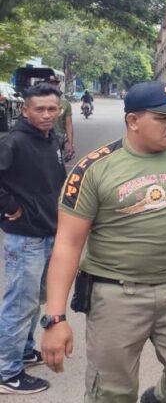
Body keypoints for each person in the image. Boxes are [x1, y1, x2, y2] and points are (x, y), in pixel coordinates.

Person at [41, 81, 166, 403]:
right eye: (162, 118)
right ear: (133, 121)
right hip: (117, 297)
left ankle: (157, 399)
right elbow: (67, 243)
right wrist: (55, 318)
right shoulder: (93, 170)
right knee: (111, 392)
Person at [0, 83, 65, 395]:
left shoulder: (51, 138)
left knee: (35, 300)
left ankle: (24, 350)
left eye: (52, 108)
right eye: (39, 109)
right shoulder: (13, 142)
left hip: (48, 232)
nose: (46, 114)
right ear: (25, 110)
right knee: (18, 305)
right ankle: (6, 372)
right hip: (25, 239)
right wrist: (8, 206)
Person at [49, 76, 75, 162]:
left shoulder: (65, 103)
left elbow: (69, 125)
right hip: (40, 137)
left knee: (58, 163)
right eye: (50, 84)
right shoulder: (38, 101)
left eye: (55, 84)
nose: (53, 86)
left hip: (58, 138)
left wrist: (70, 144)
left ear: (59, 86)